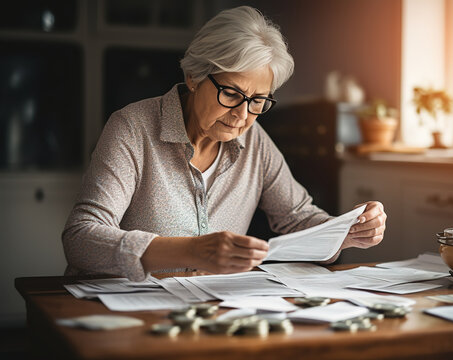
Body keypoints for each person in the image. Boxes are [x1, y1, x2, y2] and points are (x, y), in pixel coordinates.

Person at [62, 6, 387, 281]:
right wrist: (191, 250)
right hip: (119, 311)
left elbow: (297, 217)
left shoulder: (254, 140)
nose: (242, 115)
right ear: (194, 77)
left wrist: (346, 229)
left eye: (258, 100)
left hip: (204, 313)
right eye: (231, 93)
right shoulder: (133, 128)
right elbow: (81, 237)